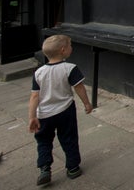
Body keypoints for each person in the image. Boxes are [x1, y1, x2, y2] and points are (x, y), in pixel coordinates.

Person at [28, 35, 92, 186]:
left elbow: (34, 96)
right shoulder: (70, 68)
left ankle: (44, 168)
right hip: (65, 111)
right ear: (63, 50)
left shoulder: (39, 72)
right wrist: (87, 104)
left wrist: (32, 117)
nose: (72, 48)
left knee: (43, 142)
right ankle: (73, 167)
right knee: (69, 138)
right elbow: (79, 88)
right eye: (70, 45)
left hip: (44, 114)